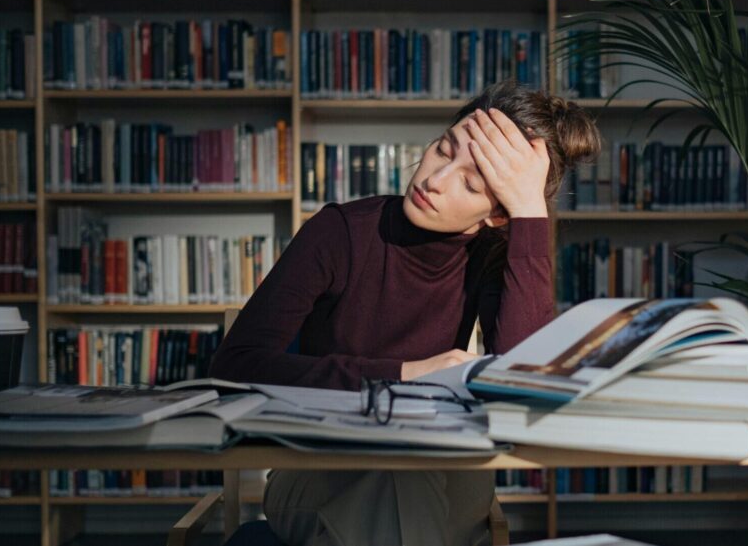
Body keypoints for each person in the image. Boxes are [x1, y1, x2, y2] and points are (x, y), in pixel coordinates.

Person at [208, 78, 602, 546]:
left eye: (471, 182)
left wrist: (530, 217)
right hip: (323, 469)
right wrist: (404, 376)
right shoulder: (338, 233)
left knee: (406, 467)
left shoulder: (496, 254)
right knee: (394, 472)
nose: (434, 179)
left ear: (496, 214)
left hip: (443, 471)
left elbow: (521, 392)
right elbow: (234, 369)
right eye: (444, 149)